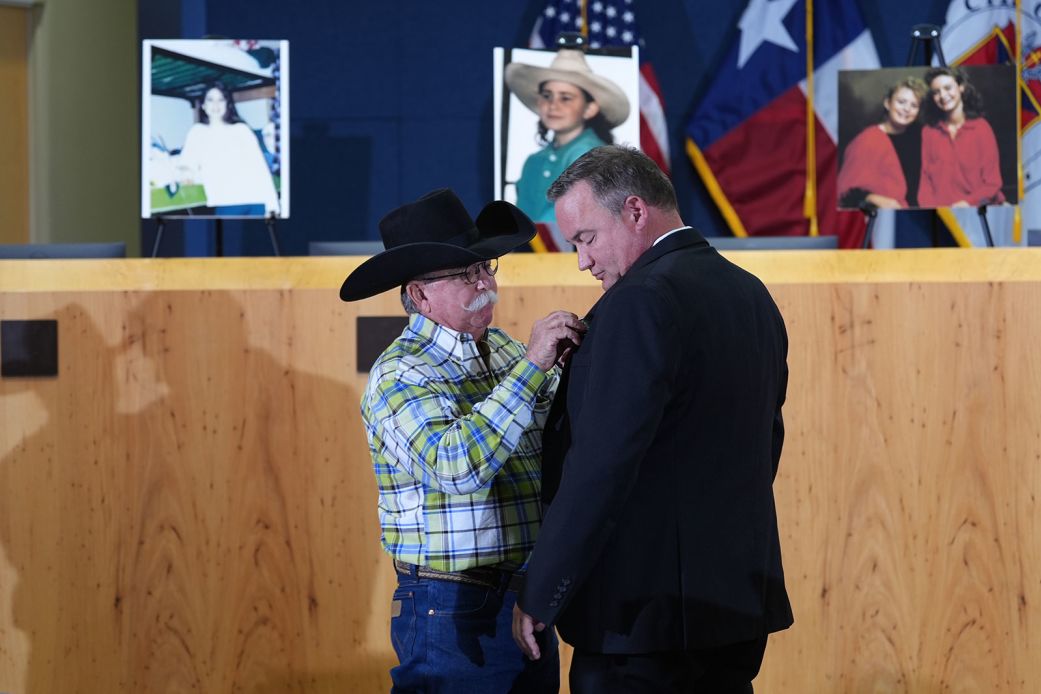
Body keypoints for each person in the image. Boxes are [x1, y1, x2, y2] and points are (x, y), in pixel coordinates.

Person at [511, 146, 793, 693]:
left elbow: (600, 466)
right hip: (733, 607)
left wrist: (541, 589)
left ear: (636, 211)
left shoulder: (639, 301)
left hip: (642, 621)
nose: (582, 261)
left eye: (585, 238)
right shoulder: (750, 293)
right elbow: (766, 444)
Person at [339, 188, 587, 693]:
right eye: (466, 274)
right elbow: (456, 468)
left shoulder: (501, 349)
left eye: (486, 268)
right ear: (421, 294)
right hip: (451, 605)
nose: (484, 283)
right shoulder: (399, 375)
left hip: (524, 595)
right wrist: (534, 368)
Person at [504, 48, 630, 224]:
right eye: (547, 96)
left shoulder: (595, 156)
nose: (553, 105)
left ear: (589, 109)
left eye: (566, 98)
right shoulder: (533, 161)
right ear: (539, 103)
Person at [177, 82, 280, 216]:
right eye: (210, 100)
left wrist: (273, 204)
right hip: (227, 201)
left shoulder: (242, 130)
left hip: (256, 199)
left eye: (221, 100)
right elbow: (186, 163)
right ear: (203, 105)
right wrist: (185, 172)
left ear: (227, 104)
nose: (216, 105)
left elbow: (260, 168)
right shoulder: (197, 132)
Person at [918, 66, 1004, 208]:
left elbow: (993, 184)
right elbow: (925, 182)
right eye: (936, 92)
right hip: (942, 213)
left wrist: (967, 203)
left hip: (977, 209)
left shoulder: (981, 128)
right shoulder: (928, 132)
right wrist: (931, 210)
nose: (943, 95)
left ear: (961, 87)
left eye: (948, 88)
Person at [838, 76, 928, 209]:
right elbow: (845, 193)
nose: (907, 109)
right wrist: (872, 198)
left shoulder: (921, 139)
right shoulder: (867, 141)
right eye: (901, 102)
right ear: (887, 103)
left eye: (914, 105)